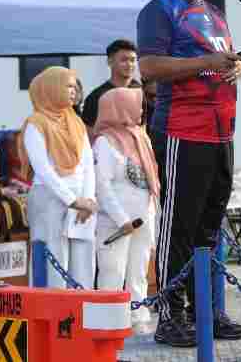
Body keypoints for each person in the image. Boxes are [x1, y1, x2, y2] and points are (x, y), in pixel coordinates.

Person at [137, 0, 241, 347]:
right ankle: (171, 315)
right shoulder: (159, 10)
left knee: (209, 228)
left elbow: (226, 58)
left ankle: (209, 311)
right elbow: (148, 66)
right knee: (179, 227)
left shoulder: (214, 12)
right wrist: (206, 61)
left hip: (222, 132)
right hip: (183, 132)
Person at [19, 67, 98, 289]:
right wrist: (73, 200)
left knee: (82, 261)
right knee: (54, 259)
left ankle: (81, 315)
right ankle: (51, 318)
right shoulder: (36, 123)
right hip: (50, 199)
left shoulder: (75, 121)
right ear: (51, 88)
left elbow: (87, 164)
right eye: (68, 86)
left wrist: (88, 200)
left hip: (81, 202)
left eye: (74, 86)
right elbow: (43, 169)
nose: (73, 91)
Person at [93, 88, 159, 335]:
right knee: (113, 270)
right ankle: (109, 321)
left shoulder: (141, 137)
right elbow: (102, 185)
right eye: (136, 105)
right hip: (116, 222)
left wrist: (152, 214)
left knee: (138, 270)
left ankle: (137, 315)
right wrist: (122, 220)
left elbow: (151, 179)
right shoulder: (105, 142)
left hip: (143, 217)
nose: (141, 110)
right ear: (120, 108)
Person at [81, 39, 141, 135]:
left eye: (133, 60)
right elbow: (88, 133)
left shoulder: (139, 91)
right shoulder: (96, 96)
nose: (129, 64)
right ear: (110, 62)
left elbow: (143, 128)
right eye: (124, 60)